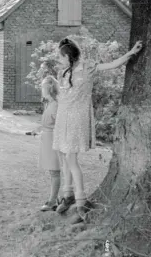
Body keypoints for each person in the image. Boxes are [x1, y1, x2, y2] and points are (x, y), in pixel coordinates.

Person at [52, 38, 143, 224]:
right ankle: (67, 194)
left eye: (60, 56)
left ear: (69, 56)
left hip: (77, 118)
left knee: (70, 158)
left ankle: (81, 201)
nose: (58, 60)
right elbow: (62, 96)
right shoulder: (63, 72)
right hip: (63, 118)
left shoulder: (88, 68)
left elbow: (112, 64)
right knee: (64, 156)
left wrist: (131, 52)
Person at [38, 76, 61, 211]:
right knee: (52, 171)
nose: (41, 89)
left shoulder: (56, 104)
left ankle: (52, 201)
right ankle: (55, 198)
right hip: (46, 139)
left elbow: (59, 124)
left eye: (43, 86)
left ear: (49, 88)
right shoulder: (48, 103)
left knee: (55, 171)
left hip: (53, 140)